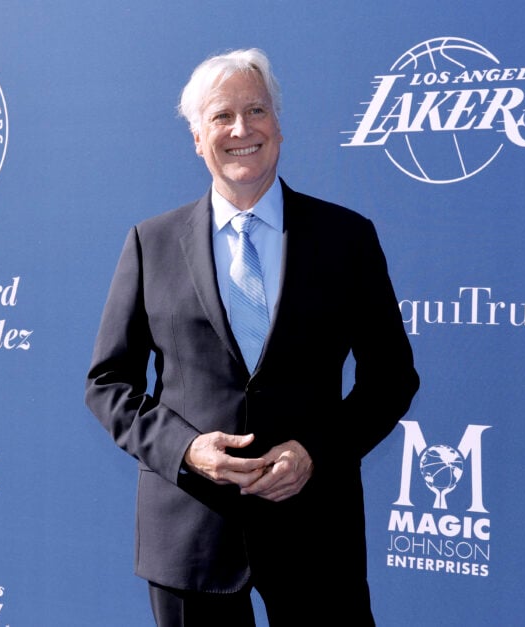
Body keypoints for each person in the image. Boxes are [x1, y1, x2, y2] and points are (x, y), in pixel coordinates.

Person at [85, 48, 419, 626]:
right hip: (191, 536)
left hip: (317, 535)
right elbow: (108, 383)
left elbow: (391, 378)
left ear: (279, 127)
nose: (241, 129)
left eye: (256, 110)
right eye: (221, 116)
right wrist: (187, 450)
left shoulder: (346, 238)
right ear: (197, 137)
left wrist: (316, 449)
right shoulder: (150, 243)